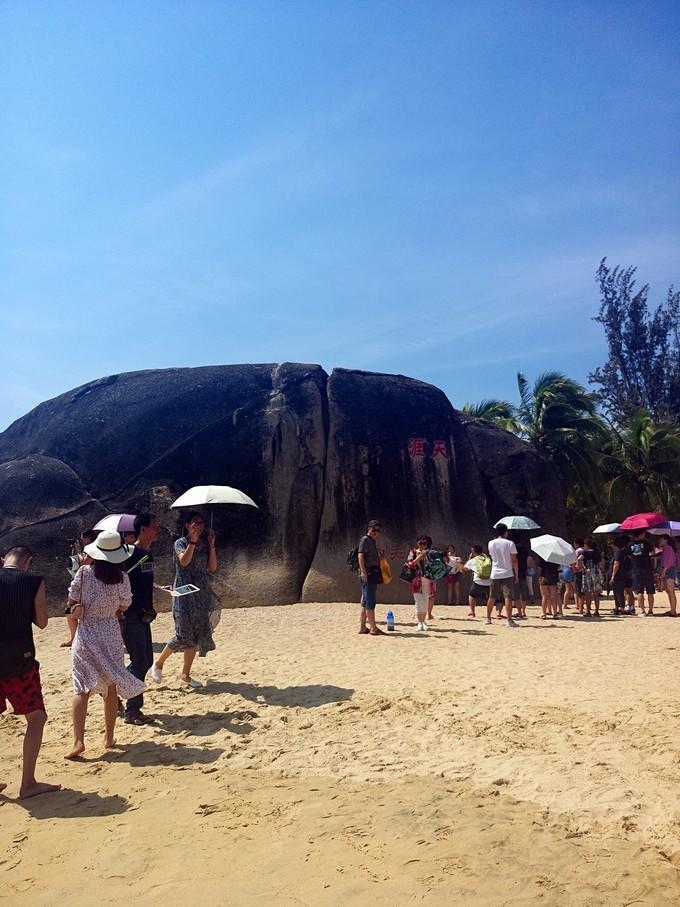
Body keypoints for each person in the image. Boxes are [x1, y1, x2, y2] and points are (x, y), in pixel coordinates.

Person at [65, 531, 145, 759]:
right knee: (110, 688)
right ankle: (109, 737)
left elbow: (71, 600)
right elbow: (125, 605)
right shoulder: (122, 578)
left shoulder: (84, 573)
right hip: (110, 633)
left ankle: (78, 741)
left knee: (81, 688)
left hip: (87, 633)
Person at [0, 546, 60, 798]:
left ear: (4, 560)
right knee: (36, 718)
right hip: (19, 661)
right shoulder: (34, 580)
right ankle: (27, 784)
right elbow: (43, 621)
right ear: (27, 561)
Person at [152, 511, 219, 685]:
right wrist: (193, 540)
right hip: (183, 593)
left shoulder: (205, 544)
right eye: (195, 523)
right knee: (182, 634)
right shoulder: (180, 543)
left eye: (201, 523)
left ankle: (185, 675)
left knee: (196, 636)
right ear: (187, 526)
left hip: (201, 593)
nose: (199, 526)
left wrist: (211, 545)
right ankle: (158, 664)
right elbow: (184, 562)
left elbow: (212, 567)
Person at [122, 512, 163, 725]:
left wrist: (159, 588)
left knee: (146, 660)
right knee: (139, 661)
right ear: (143, 529)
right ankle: (132, 709)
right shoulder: (129, 554)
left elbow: (143, 583)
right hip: (130, 616)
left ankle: (119, 687)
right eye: (154, 526)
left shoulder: (149, 555)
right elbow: (122, 582)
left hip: (145, 615)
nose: (158, 529)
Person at [61, 529, 98, 647]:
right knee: (70, 611)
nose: (81, 540)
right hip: (82, 584)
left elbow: (84, 565)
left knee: (73, 611)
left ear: (88, 539)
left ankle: (77, 640)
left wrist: (78, 552)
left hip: (88, 585)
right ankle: (74, 638)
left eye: (82, 538)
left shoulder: (94, 550)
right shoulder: (89, 550)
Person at [354, 520, 384, 636]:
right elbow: (360, 555)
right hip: (368, 573)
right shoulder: (365, 539)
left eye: (378, 530)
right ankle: (373, 628)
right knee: (370, 601)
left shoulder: (371, 541)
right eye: (374, 530)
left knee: (365, 600)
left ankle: (362, 627)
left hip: (371, 573)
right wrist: (363, 572)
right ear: (369, 529)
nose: (376, 532)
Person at [485, 524, 518, 627]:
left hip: (495, 572)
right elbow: (514, 560)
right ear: (506, 532)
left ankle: (488, 618)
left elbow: (492, 557)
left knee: (492, 596)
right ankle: (509, 619)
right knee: (508, 597)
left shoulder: (491, 543)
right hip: (507, 572)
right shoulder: (510, 543)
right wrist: (516, 574)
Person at [626, 530, 655, 616]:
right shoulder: (647, 543)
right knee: (650, 591)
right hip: (647, 568)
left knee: (639, 591)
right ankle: (650, 610)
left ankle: (642, 611)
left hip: (636, 569)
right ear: (640, 534)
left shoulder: (629, 544)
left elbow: (628, 555)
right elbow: (652, 553)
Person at [408, 535, 433, 631]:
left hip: (426, 578)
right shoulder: (412, 552)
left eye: (424, 543)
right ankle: (419, 622)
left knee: (425, 600)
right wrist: (419, 558)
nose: (422, 545)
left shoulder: (429, 553)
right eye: (420, 543)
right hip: (416, 578)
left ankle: (423, 621)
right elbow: (410, 564)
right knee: (418, 600)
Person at [463, 545, 491, 618]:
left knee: (472, 595)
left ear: (473, 552)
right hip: (489, 582)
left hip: (478, 581)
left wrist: (469, 559)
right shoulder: (487, 559)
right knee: (492, 598)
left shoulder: (474, 560)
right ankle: (497, 613)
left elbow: (465, 568)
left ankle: (472, 612)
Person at [658, 535, 678, 617]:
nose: (660, 541)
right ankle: (672, 609)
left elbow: (670, 561)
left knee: (671, 590)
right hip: (666, 569)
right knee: (668, 591)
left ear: (665, 540)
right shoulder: (665, 549)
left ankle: (673, 610)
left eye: (661, 539)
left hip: (669, 570)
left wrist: (664, 571)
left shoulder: (669, 548)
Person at [610, 536, 630, 615]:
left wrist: (613, 575)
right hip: (622, 575)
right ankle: (617, 607)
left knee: (619, 592)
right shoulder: (623, 553)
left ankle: (621, 608)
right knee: (616, 592)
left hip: (618, 576)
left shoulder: (618, 553)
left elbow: (616, 564)